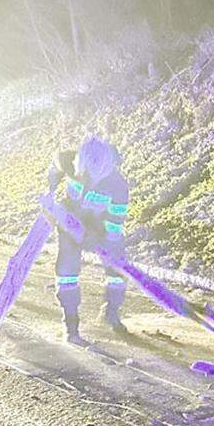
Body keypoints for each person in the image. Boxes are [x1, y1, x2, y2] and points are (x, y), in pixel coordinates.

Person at [47, 136, 131, 346]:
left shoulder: (118, 186)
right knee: (67, 271)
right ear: (80, 162)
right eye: (86, 172)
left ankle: (111, 312)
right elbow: (54, 169)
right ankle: (71, 326)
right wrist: (51, 187)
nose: (90, 178)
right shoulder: (67, 160)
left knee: (117, 271)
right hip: (69, 223)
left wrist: (104, 243)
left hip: (99, 229)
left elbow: (115, 224)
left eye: (97, 175)